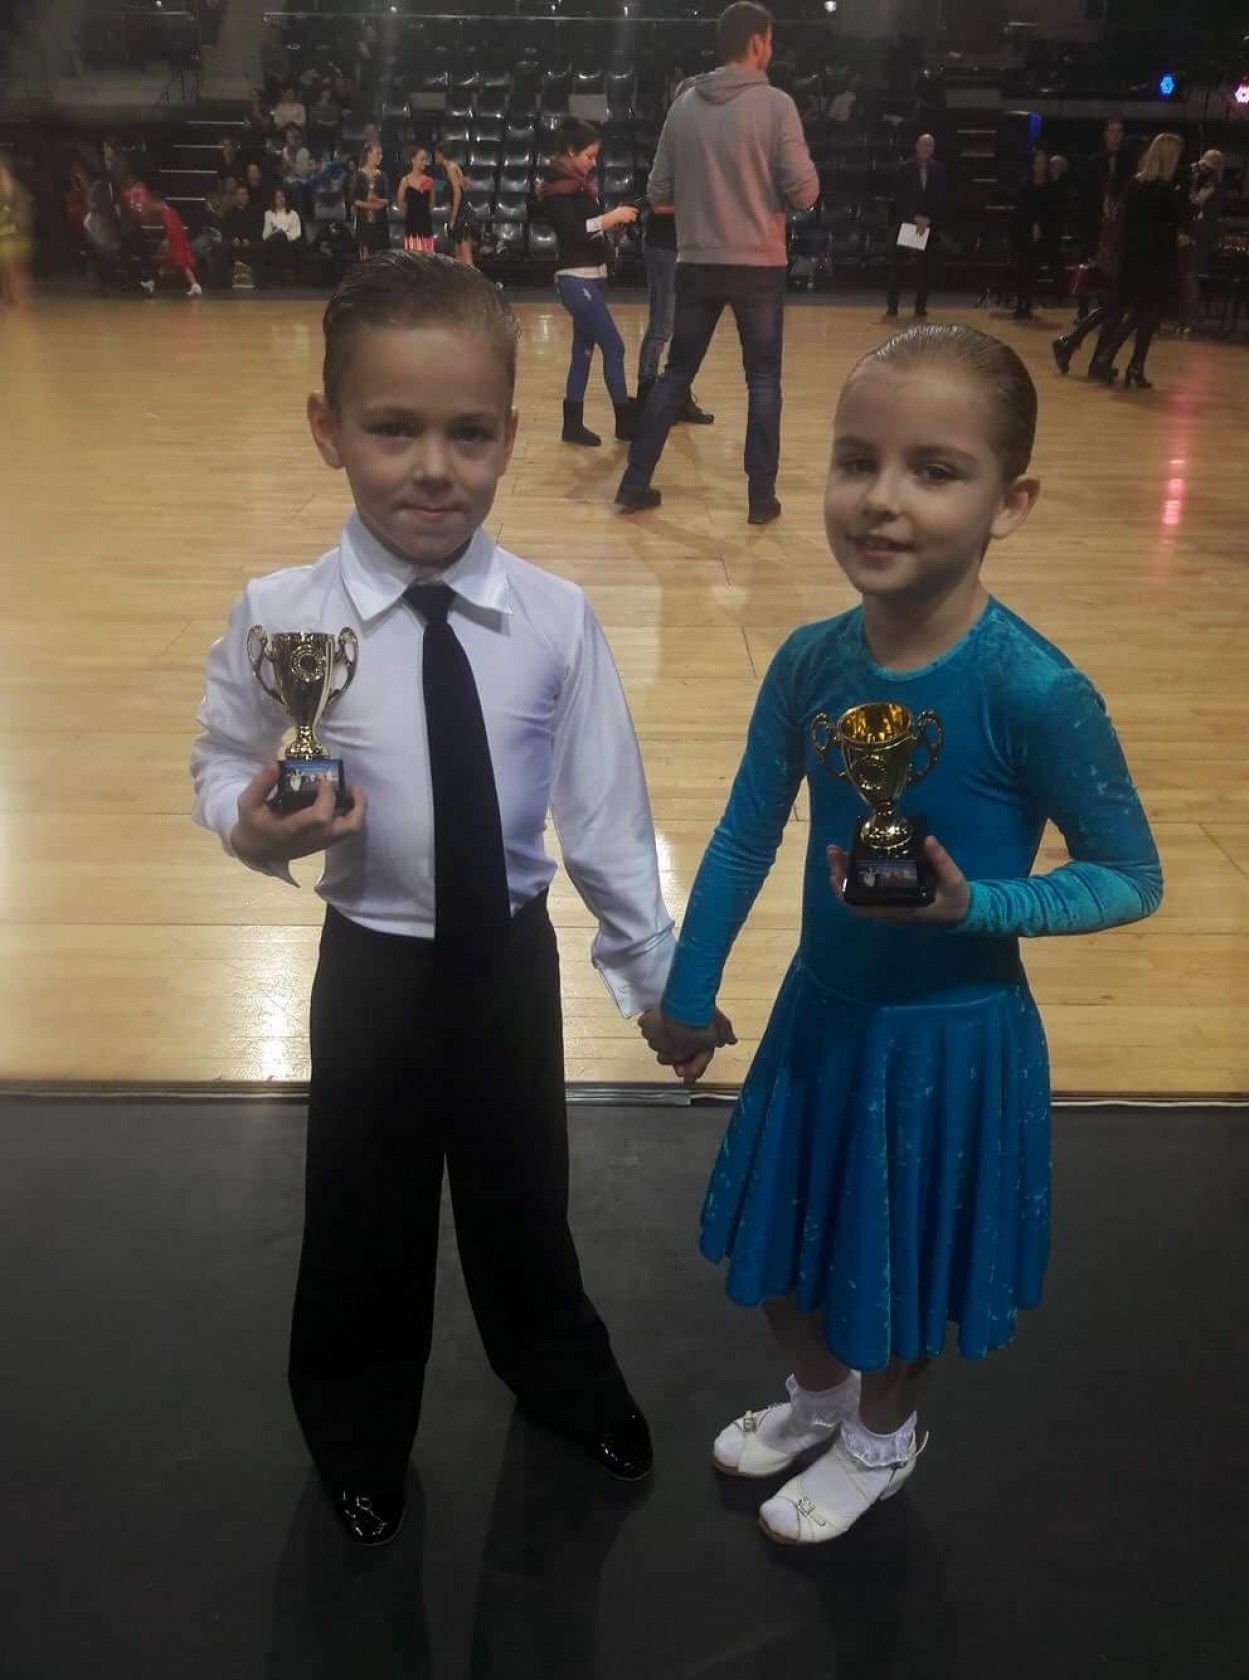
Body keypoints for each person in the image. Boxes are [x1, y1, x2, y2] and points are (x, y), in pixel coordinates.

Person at [639, 321, 1162, 1547]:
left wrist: (977, 906)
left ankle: (883, 1437)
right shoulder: (808, 664)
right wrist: (689, 989)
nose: (880, 500)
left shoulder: (1035, 690)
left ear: (1008, 503)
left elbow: (1129, 877)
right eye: (855, 461)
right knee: (783, 1251)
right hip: (820, 1014)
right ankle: (822, 1402)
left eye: (933, 470)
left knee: (903, 1262)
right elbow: (743, 835)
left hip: (950, 1041)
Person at [191, 251, 681, 1547]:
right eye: (392, 429)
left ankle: (558, 1374)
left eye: (467, 434)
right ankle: (356, 1433)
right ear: (328, 429)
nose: (432, 468)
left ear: (510, 436)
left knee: (526, 1193)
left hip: (510, 964)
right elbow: (222, 762)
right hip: (372, 964)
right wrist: (252, 824)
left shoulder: (556, 622)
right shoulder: (282, 618)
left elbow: (606, 815)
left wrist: (654, 982)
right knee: (362, 1214)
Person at [615, 2, 818, 524]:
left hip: (697, 261)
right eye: (769, 41)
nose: (771, 49)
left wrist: (705, 196)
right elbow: (805, 192)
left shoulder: (684, 107)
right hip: (759, 264)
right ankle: (760, 499)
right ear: (757, 43)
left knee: (676, 374)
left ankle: (635, 481)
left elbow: (658, 192)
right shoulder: (777, 106)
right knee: (763, 380)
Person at [536, 117, 640, 448]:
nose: (594, 163)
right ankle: (624, 421)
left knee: (583, 352)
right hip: (575, 278)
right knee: (615, 346)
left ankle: (573, 424)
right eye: (589, 156)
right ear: (571, 151)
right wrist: (609, 218)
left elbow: (588, 227)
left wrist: (611, 224)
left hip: (591, 278)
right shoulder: (555, 188)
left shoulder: (578, 186)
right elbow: (572, 232)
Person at [1087, 132, 1188, 390]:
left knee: (1139, 315)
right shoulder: (1166, 190)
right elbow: (1182, 221)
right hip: (1156, 262)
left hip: (1132, 260)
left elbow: (1126, 225)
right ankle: (1122, 362)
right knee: (1145, 317)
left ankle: (1128, 364)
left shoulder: (1135, 185)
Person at [885, 132, 947, 320]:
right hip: (908, 223)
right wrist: (914, 217)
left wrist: (928, 219)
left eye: (930, 145)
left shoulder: (939, 170)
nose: (926, 148)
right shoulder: (905, 168)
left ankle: (921, 306)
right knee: (899, 267)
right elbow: (900, 197)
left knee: (925, 269)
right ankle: (892, 306)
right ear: (916, 146)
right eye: (923, 145)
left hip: (929, 225)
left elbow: (941, 198)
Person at [1178, 149, 1224, 332]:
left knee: (1190, 277)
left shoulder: (1217, 189)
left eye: (1213, 165)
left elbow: (1209, 220)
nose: (1208, 169)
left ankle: (1187, 319)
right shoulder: (1190, 179)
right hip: (1180, 234)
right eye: (1205, 163)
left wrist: (1191, 235)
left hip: (1198, 239)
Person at [1010, 148, 1049, 320]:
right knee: (1021, 269)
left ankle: (1028, 302)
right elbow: (1020, 210)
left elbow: (1050, 211)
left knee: (1033, 270)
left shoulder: (1049, 187)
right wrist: (1032, 224)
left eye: (1043, 163)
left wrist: (1040, 226)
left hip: (1042, 233)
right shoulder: (1025, 185)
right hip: (1022, 232)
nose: (1040, 166)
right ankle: (1020, 302)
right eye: (1037, 163)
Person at [148, 186, 201, 296]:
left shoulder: (166, 213)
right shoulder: (172, 211)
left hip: (175, 243)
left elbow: (171, 229)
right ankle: (152, 282)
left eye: (153, 204)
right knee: (166, 263)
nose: (153, 207)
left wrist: (167, 241)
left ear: (159, 202)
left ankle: (195, 284)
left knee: (182, 264)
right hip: (178, 241)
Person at [433, 143, 472, 267]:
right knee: (458, 256)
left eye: (435, 154)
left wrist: (453, 218)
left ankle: (473, 279)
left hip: (462, 214)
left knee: (466, 257)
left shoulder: (450, 168)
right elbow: (465, 186)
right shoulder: (453, 167)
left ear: (440, 154)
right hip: (461, 212)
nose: (435, 157)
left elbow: (457, 193)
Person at [0, 157, 32, 309]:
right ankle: (7, 297)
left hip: (13, 237)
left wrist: (14, 226)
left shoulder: (15, 188)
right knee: (4, 270)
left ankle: (16, 298)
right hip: (4, 235)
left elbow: (21, 214)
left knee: (13, 269)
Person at [352, 143, 391, 261]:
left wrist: (378, 201)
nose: (380, 156)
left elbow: (388, 199)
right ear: (368, 154)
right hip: (364, 221)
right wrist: (368, 205)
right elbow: (352, 198)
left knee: (381, 257)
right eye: (377, 153)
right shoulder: (358, 175)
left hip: (380, 223)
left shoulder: (382, 175)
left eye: (381, 154)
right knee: (365, 257)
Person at [396, 147, 436, 254]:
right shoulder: (405, 181)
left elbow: (432, 203)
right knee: (412, 258)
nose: (425, 162)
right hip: (411, 224)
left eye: (426, 160)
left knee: (427, 258)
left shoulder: (429, 181)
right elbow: (400, 202)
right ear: (413, 160)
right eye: (422, 159)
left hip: (426, 224)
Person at [263, 187, 303, 284]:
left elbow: (296, 233)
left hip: (288, 243)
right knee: (278, 238)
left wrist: (283, 233)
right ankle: (280, 276)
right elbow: (265, 234)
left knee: (281, 237)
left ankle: (278, 276)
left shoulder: (293, 214)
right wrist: (276, 233)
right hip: (272, 242)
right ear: (273, 200)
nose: (280, 199)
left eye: (282, 196)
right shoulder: (268, 214)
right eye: (277, 197)